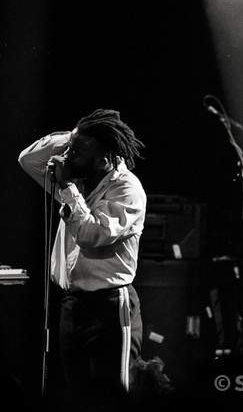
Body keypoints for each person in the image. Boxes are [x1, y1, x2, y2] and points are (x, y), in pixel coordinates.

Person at [18, 109, 147, 403]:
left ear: (103, 159)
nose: (67, 158)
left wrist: (66, 188)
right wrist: (77, 136)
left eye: (76, 153)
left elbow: (90, 236)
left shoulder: (127, 189)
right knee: (76, 397)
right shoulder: (79, 181)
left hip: (110, 306)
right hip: (72, 306)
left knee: (114, 398)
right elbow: (28, 159)